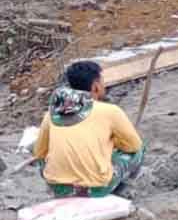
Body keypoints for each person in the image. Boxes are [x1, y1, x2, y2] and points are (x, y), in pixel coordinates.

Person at [32, 60, 144, 198]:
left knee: (43, 158)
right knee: (139, 150)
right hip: (95, 188)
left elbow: (39, 153)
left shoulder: (52, 114)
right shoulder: (110, 111)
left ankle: (61, 188)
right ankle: (119, 190)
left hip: (60, 188)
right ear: (96, 86)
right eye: (102, 81)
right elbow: (134, 146)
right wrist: (111, 144)